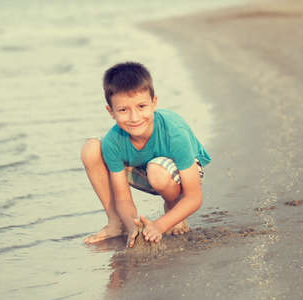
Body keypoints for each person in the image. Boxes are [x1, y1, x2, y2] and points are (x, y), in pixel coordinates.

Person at [81, 62, 211, 247]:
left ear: (154, 103)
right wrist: (133, 225)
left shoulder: (174, 132)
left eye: (141, 106)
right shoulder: (113, 141)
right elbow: (123, 198)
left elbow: (194, 197)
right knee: (91, 149)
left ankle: (173, 208)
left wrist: (160, 225)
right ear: (111, 111)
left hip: (181, 174)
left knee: (157, 170)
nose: (134, 118)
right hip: (144, 171)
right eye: (123, 110)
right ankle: (116, 223)